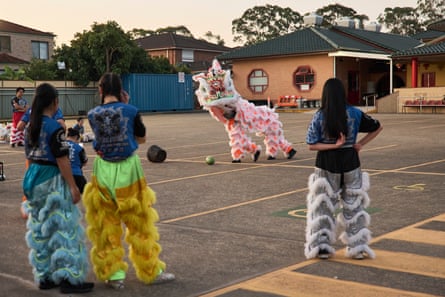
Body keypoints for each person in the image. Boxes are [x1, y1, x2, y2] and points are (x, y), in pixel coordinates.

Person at [83, 73, 175, 290]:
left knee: (106, 223)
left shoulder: (92, 114)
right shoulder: (131, 110)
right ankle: (150, 270)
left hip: (102, 170)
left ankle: (113, 274)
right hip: (127, 169)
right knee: (139, 223)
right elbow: (141, 139)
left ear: (101, 90)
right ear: (121, 90)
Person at [22, 83, 94, 294]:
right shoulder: (55, 128)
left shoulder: (30, 127)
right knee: (65, 229)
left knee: (40, 228)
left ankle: (44, 275)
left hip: (33, 176)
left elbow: (27, 157)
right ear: (54, 102)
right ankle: (69, 279)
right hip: (51, 179)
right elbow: (62, 160)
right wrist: (73, 187)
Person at [304, 78, 383, 260]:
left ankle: (321, 247)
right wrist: (360, 144)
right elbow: (378, 126)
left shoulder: (320, 115)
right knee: (354, 205)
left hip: (326, 163)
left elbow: (311, 145)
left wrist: (333, 146)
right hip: (350, 161)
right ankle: (358, 248)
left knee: (323, 205)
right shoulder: (355, 113)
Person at [17, 106, 65, 219]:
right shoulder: (55, 109)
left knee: (32, 180)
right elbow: (62, 125)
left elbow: (19, 126)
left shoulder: (31, 110)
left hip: (32, 155)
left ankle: (28, 206)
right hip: (49, 156)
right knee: (51, 184)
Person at [66, 128, 88, 193]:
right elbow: (85, 162)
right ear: (76, 137)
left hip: (62, 175)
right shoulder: (79, 148)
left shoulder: (60, 145)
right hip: (77, 175)